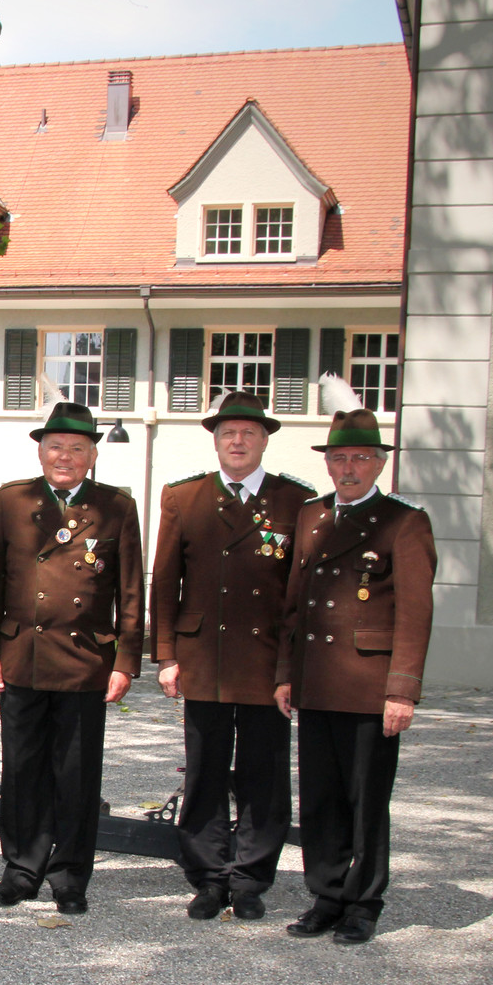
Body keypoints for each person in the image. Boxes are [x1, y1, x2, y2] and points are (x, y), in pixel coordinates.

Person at [274, 408, 436, 945]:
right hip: (317, 682)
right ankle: (326, 896)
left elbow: (415, 613)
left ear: (379, 463)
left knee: (365, 800)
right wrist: (285, 675)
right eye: (339, 458)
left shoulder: (403, 522)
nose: (348, 469)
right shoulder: (312, 516)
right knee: (319, 798)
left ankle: (363, 904)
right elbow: (294, 604)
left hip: (369, 687)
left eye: (360, 459)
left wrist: (402, 690)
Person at [151, 392, 314, 921]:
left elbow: (298, 597)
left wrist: (292, 670)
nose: (237, 442)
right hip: (205, 657)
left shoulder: (297, 502)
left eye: (247, 433)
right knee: (205, 771)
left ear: (264, 440)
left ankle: (250, 879)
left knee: (264, 776)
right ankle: (207, 876)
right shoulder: (184, 498)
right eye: (227, 434)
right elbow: (166, 584)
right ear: (215, 441)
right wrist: (167, 655)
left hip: (267, 663)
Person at [0, 401, 143, 913]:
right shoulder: (12, 500)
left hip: (83, 660)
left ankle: (70, 874)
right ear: (41, 450)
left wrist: (125, 661)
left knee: (75, 773)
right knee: (22, 770)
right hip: (22, 655)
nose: (64, 456)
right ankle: (22, 869)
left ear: (92, 455)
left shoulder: (115, 507)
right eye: (55, 446)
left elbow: (131, 591)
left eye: (76, 447)